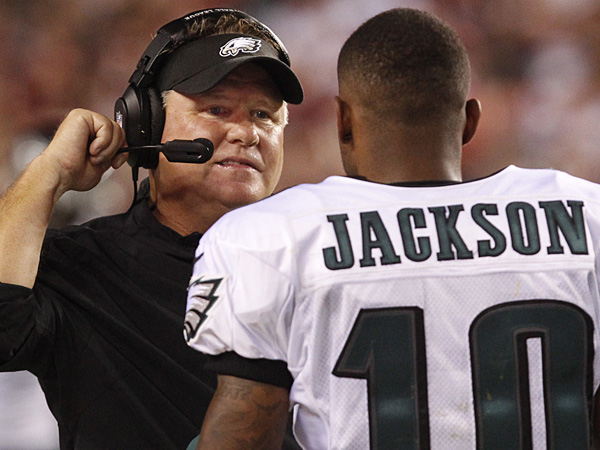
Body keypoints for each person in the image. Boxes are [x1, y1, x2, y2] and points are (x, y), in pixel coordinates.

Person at [185, 7, 600, 450]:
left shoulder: (272, 235)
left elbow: (244, 434)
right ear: (470, 121)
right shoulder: (587, 215)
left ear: (342, 121)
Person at [0, 8, 304, 450]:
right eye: (216, 109)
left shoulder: (317, 261)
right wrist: (50, 172)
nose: (246, 133)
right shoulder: (84, 267)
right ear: (146, 122)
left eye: (263, 115)